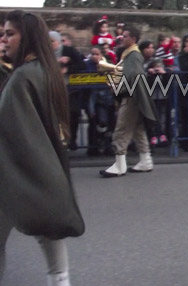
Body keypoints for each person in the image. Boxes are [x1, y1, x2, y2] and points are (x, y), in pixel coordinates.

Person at [0, 10, 85, 286]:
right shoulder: (43, 71)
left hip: (16, 169)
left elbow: (13, 128)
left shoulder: (23, 77)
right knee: (47, 228)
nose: (4, 40)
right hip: (41, 165)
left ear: (27, 36)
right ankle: (60, 284)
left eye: (10, 34)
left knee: (43, 226)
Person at [100, 26, 158, 177]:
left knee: (122, 129)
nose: (122, 38)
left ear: (133, 39)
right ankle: (146, 161)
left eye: (125, 36)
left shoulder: (132, 55)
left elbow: (133, 77)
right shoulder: (131, 54)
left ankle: (120, 165)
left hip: (131, 98)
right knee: (138, 130)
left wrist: (118, 88)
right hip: (135, 97)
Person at [50, 30, 86, 150]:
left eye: (53, 41)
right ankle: (58, 141)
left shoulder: (69, 51)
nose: (51, 44)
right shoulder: (46, 53)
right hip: (53, 88)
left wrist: (68, 68)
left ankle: (72, 140)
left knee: (73, 114)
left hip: (71, 89)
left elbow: (82, 65)